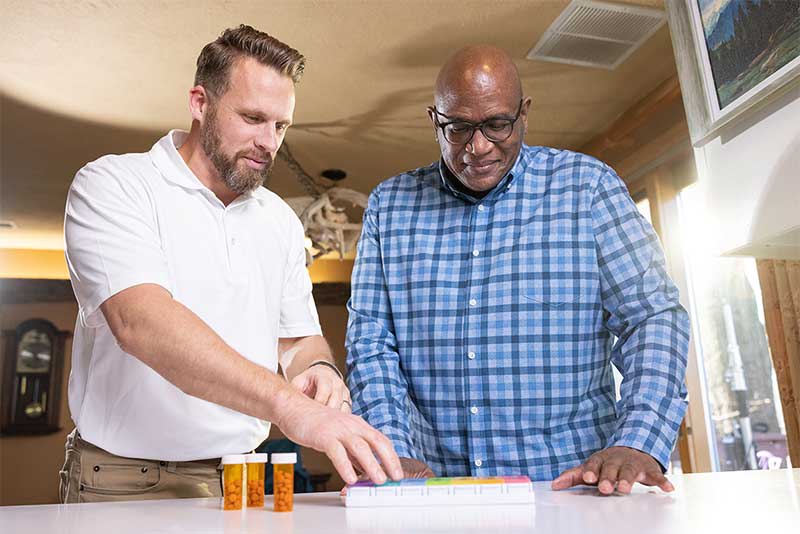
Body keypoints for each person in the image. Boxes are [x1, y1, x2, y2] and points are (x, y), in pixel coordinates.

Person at [60, 25, 401, 504]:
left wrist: (320, 369)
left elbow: (298, 338)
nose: (269, 142)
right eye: (253, 117)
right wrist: (289, 407)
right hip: (121, 480)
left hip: (241, 478)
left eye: (281, 126)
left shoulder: (280, 220)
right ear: (200, 103)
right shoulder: (115, 184)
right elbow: (141, 323)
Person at [346, 45, 689, 495]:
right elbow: (371, 342)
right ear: (435, 120)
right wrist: (392, 450)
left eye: (496, 124)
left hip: (575, 492)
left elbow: (652, 318)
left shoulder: (588, 189)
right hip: (440, 495)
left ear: (523, 114)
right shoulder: (389, 208)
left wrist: (639, 441)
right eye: (458, 128)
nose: (478, 146)